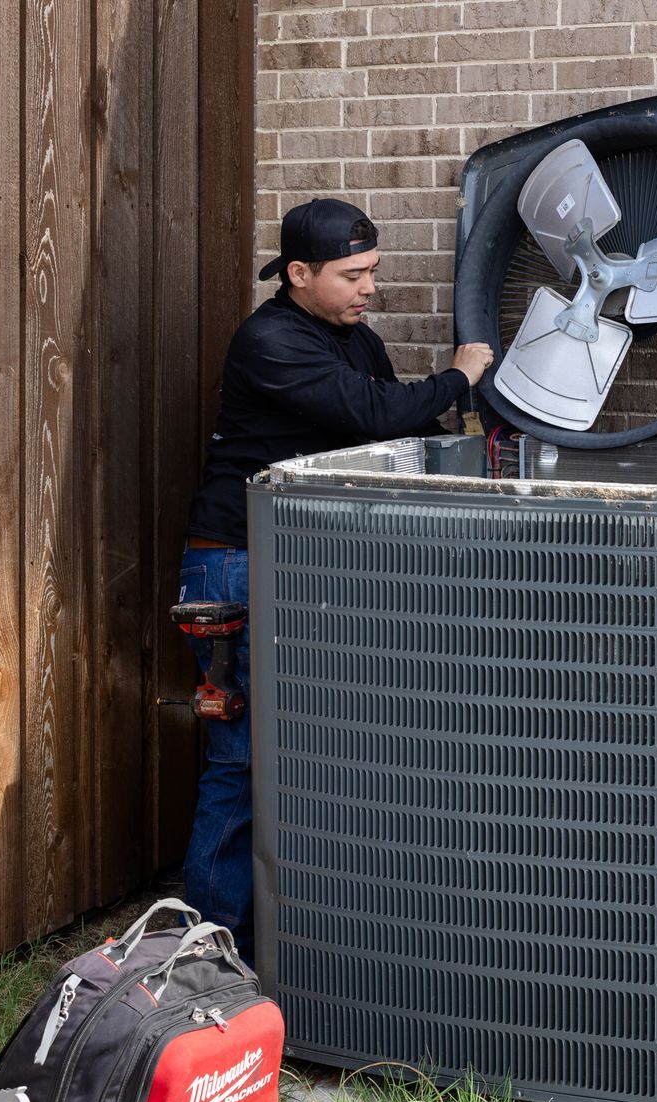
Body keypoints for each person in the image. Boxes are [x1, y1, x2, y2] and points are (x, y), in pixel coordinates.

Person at [181, 197, 494, 951]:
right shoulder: (268, 341)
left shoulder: (358, 340)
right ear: (298, 273)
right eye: (353, 275)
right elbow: (373, 413)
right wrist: (458, 376)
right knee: (246, 760)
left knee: (302, 756)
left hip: (299, 564)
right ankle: (207, 952)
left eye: (372, 273)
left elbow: (403, 425)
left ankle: (287, 949)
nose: (369, 289)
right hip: (236, 569)